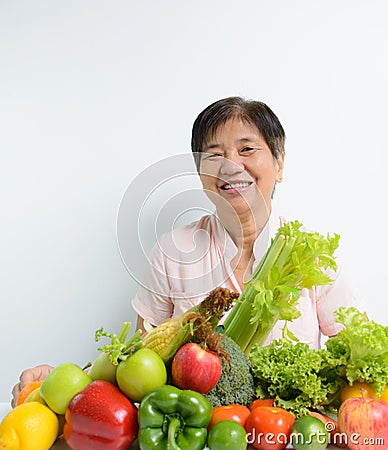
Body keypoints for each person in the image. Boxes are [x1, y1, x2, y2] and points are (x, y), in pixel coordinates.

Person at [11, 97, 364, 406]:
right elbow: (138, 363)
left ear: (280, 164)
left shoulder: (314, 256)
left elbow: (355, 358)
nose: (230, 165)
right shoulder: (172, 251)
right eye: (214, 154)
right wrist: (64, 383)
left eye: (247, 149)